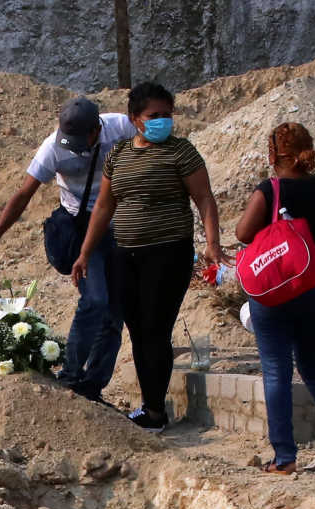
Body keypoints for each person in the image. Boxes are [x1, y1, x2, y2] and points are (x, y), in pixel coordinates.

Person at [72, 81, 219, 430]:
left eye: (167, 115)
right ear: (135, 118)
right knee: (138, 330)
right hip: (125, 255)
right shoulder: (118, 154)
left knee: (156, 327)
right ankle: (151, 406)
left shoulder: (181, 152)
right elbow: (105, 206)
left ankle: (155, 411)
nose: (162, 121)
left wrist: (212, 244)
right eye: (154, 115)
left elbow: (204, 198)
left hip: (168, 253)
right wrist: (85, 252)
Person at [0, 96, 133, 400]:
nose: (73, 147)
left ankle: (92, 388)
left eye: (80, 141)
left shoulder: (121, 128)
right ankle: (71, 377)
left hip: (122, 225)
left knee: (115, 313)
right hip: (82, 228)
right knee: (95, 300)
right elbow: (24, 194)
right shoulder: (53, 148)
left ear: (95, 131)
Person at [233, 121, 315, 473]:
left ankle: (285, 457)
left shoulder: (270, 191)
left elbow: (243, 233)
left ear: (273, 154)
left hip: (274, 293)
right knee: (314, 362)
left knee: (276, 371)